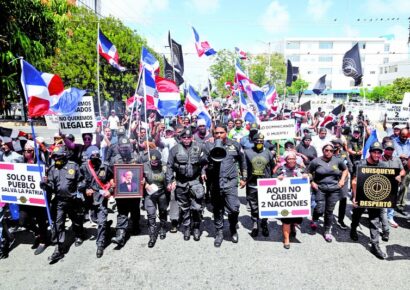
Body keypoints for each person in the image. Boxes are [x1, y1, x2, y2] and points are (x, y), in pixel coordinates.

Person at [350, 142, 401, 259]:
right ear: (370, 152)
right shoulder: (360, 163)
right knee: (357, 215)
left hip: (376, 197)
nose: (377, 154)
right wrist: (354, 197)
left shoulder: (383, 164)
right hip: (361, 196)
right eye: (375, 152)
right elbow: (354, 181)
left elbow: (389, 180)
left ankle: (375, 244)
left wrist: (397, 178)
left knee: (375, 220)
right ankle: (353, 229)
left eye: (379, 152)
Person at [204, 125, 247, 247]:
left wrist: (244, 178)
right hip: (215, 182)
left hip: (230, 182)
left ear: (226, 133)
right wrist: (208, 155)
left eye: (221, 132)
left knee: (234, 208)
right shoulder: (208, 145)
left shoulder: (235, 145)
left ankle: (233, 228)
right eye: (216, 133)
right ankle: (219, 232)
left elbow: (242, 161)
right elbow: (202, 161)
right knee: (217, 209)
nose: (218, 135)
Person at [40, 146, 85, 263]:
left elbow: (82, 179)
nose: (56, 159)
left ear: (64, 156)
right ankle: (59, 249)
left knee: (75, 220)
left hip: (73, 200)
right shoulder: (52, 169)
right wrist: (45, 184)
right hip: (59, 201)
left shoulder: (73, 166)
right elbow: (50, 185)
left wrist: (80, 188)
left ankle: (79, 235)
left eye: (58, 157)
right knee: (58, 223)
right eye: (54, 157)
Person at [166, 129, 207, 241]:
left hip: (195, 181)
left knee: (197, 207)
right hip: (181, 182)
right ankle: (187, 227)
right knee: (184, 207)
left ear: (192, 138)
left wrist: (203, 172)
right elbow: (169, 166)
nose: (186, 140)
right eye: (184, 138)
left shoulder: (199, 147)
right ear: (180, 138)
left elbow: (205, 162)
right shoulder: (174, 150)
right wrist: (169, 181)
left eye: (188, 137)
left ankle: (196, 227)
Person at [307, 143, 348, 242]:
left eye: (331, 150)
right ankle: (315, 218)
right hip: (320, 188)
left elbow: (345, 170)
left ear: (333, 151)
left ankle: (327, 231)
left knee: (329, 211)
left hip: (334, 189)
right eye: (326, 150)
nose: (329, 152)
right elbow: (308, 172)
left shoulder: (338, 160)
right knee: (320, 208)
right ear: (323, 151)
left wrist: (342, 180)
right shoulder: (316, 161)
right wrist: (312, 182)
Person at [79, 146, 114, 258]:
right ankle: (106, 227)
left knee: (101, 222)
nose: (95, 159)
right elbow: (78, 182)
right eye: (92, 157)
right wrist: (84, 189)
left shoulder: (105, 166)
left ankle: (100, 244)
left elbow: (113, 180)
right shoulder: (84, 167)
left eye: (97, 156)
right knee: (94, 219)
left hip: (101, 198)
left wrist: (110, 191)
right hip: (89, 199)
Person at [110, 137, 141, 248]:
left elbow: (143, 171)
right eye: (122, 148)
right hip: (120, 192)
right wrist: (111, 181)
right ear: (118, 147)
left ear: (130, 147)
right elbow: (109, 174)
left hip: (134, 191)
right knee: (122, 212)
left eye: (126, 147)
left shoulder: (137, 157)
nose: (124, 150)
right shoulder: (114, 160)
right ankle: (120, 235)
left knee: (135, 210)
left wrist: (143, 179)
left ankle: (136, 225)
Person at [243, 133, 275, 238]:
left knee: (265, 206)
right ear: (253, 141)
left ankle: (264, 223)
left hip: (266, 184)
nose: (259, 143)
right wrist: (244, 179)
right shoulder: (247, 152)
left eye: (261, 141)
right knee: (254, 206)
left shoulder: (268, 153)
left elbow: (273, 168)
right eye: (257, 141)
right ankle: (255, 224)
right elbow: (244, 168)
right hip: (252, 184)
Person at [275, 151, 307, 249]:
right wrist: (277, 178)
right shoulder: (281, 168)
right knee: (286, 220)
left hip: (297, 200)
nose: (291, 160)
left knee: (297, 220)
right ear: (286, 160)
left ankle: (293, 226)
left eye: (293, 158)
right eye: (289, 159)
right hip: (285, 200)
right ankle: (286, 239)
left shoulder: (300, 168)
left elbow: (310, 175)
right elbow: (272, 179)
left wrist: (306, 176)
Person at [143, 150, 168, 248]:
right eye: (152, 162)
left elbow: (170, 177)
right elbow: (139, 177)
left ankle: (162, 227)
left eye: (156, 162)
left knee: (163, 211)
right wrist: (145, 184)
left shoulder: (164, 166)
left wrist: (171, 183)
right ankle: (152, 236)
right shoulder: (145, 165)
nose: (154, 163)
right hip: (150, 194)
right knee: (151, 214)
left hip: (162, 192)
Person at [381, 140, 406, 230]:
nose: (389, 151)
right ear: (384, 149)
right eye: (388, 149)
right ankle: (381, 219)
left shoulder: (397, 159)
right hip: (381, 185)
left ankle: (390, 218)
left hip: (394, 185)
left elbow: (403, 170)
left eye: (391, 149)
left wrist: (400, 175)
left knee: (391, 202)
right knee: (381, 203)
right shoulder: (379, 158)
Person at [331, 138, 353, 230]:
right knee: (331, 201)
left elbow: (349, 164)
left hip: (344, 180)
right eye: (333, 144)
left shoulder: (344, 153)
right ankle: (328, 219)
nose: (334, 146)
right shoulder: (329, 153)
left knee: (343, 200)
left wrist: (353, 174)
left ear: (339, 146)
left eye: (336, 145)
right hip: (332, 179)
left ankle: (341, 220)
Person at [393, 128, 410, 217]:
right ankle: (390, 202)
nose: (404, 138)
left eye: (406, 137)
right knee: (394, 185)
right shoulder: (394, 141)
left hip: (407, 167)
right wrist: (399, 155)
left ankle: (400, 206)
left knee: (404, 186)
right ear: (399, 134)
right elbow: (390, 153)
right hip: (396, 166)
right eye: (402, 136)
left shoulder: (409, 142)